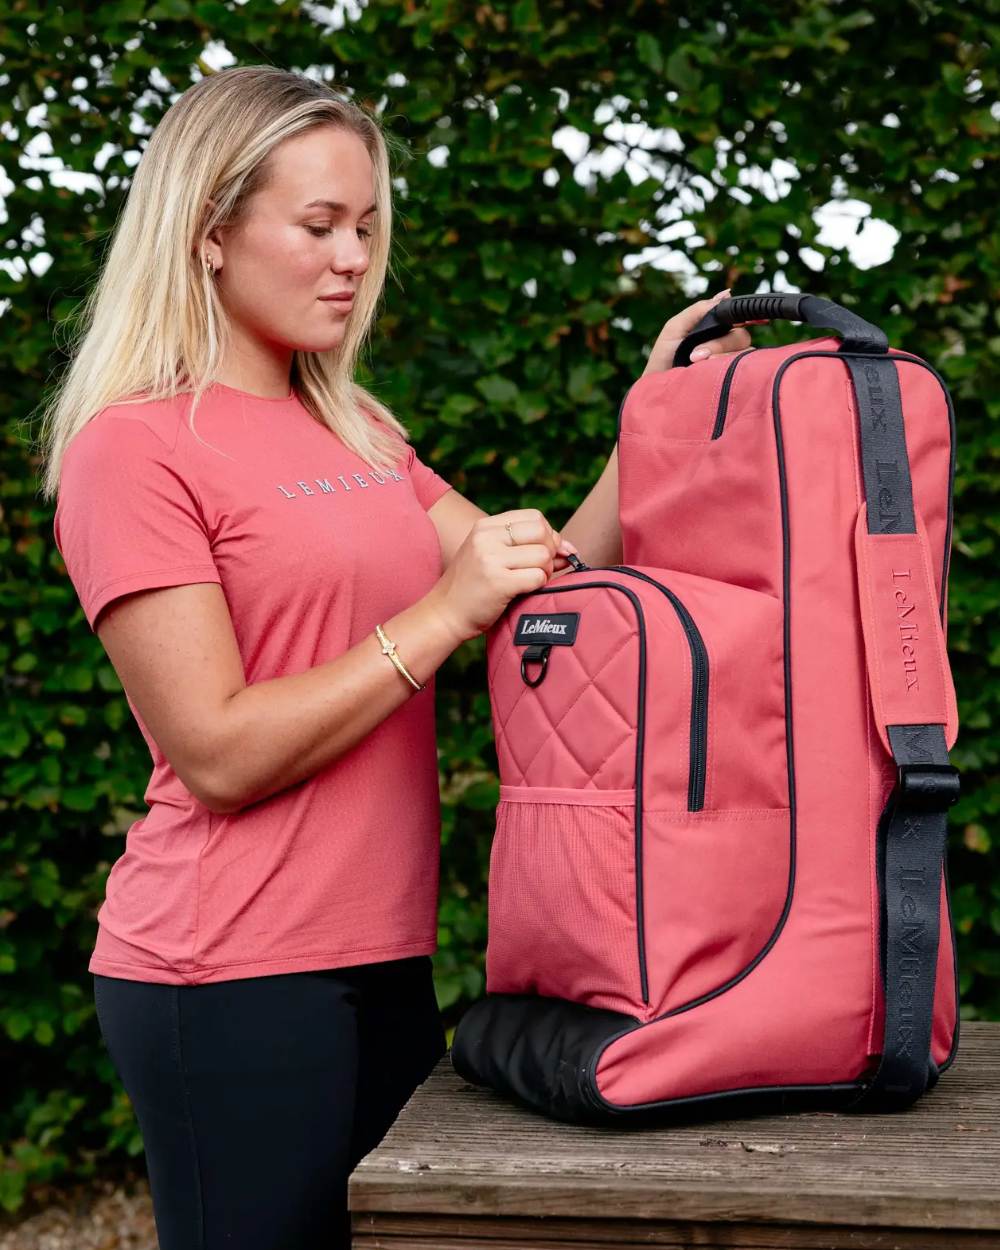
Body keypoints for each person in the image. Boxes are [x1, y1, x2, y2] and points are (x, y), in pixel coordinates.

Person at [38, 63, 750, 1250]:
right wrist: (437, 615)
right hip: (226, 969)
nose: (354, 258)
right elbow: (216, 750)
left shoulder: (356, 427)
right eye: (318, 224)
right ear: (208, 231)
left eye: (366, 226)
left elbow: (544, 592)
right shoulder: (133, 449)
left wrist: (657, 416)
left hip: (385, 955)